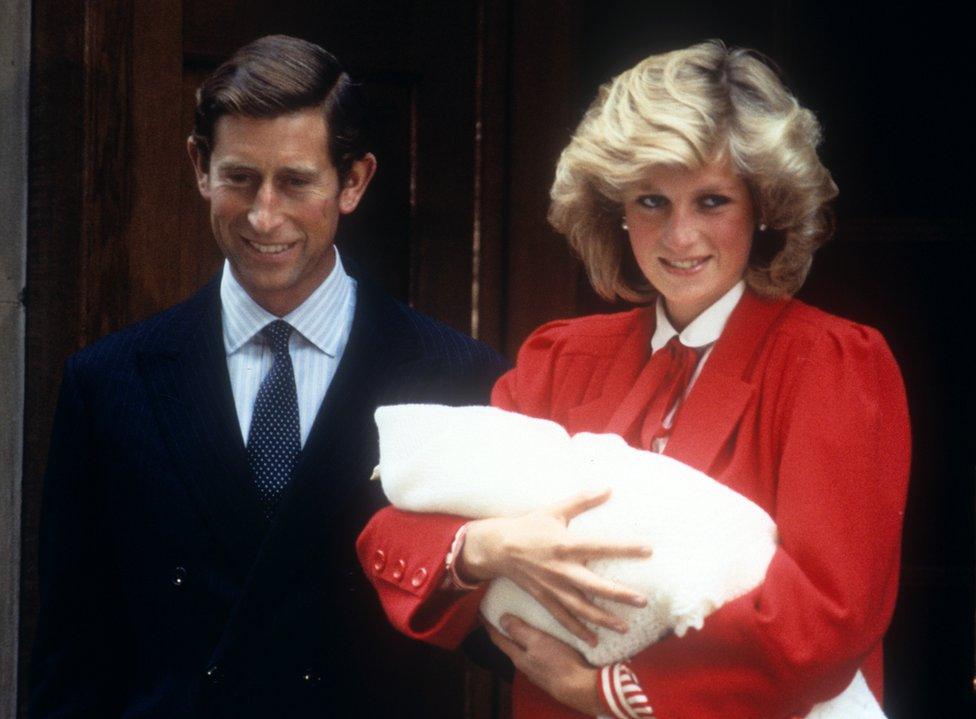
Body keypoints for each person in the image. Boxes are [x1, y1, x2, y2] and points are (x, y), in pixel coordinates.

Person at [358, 40, 911, 718]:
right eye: (651, 200)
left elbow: (828, 620)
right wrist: (488, 547)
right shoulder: (559, 358)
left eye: (711, 201)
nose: (679, 236)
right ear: (614, 209)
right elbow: (393, 532)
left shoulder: (831, 363)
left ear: (763, 206)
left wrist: (606, 692)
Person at [29, 35, 507, 718]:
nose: (264, 215)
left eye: (295, 181)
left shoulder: (457, 377)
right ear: (200, 166)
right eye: (241, 178)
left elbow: (506, 638)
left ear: (354, 181)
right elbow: (72, 665)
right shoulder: (108, 385)